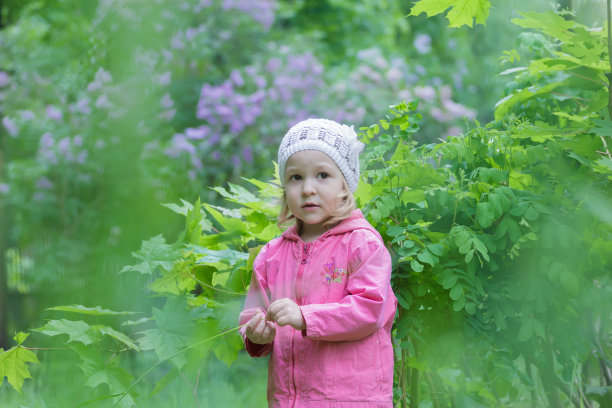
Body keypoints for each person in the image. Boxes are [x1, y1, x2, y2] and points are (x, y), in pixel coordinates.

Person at [239, 118, 397, 408]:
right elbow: (252, 313)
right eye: (296, 177)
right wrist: (255, 332)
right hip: (288, 401)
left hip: (353, 400)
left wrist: (306, 317)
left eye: (322, 175)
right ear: (285, 187)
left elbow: (369, 308)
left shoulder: (362, 244)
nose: (308, 188)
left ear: (345, 186)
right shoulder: (271, 256)